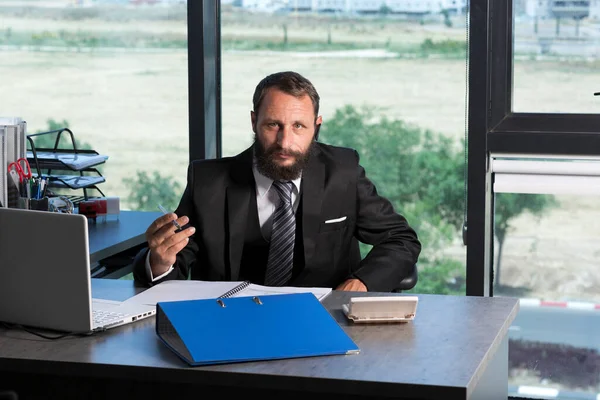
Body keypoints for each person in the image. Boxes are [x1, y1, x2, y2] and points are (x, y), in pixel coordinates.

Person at [132, 71, 421, 292]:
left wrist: (362, 281)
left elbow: (401, 239)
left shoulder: (343, 171)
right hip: (229, 323)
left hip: (322, 321)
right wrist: (159, 261)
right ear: (254, 122)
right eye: (273, 125)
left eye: (298, 126)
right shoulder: (209, 181)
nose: (285, 142)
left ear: (316, 127)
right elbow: (174, 263)